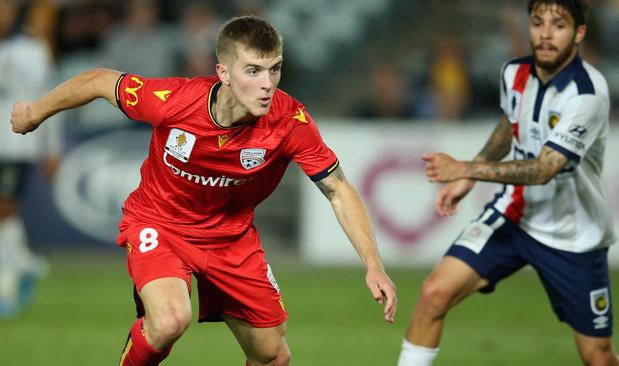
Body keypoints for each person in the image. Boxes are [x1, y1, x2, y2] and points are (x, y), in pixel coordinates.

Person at [10, 15, 396, 365]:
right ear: (223, 73)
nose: (267, 85)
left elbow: (338, 190)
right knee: (169, 321)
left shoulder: (290, 121)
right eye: (254, 71)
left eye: (275, 70)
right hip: (160, 224)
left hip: (231, 240)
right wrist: (34, 112)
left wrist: (373, 263)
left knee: (273, 356)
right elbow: (97, 80)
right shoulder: (174, 102)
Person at [397, 1, 619, 365]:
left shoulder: (587, 94)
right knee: (434, 293)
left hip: (574, 235)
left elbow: (544, 169)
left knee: (598, 357)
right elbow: (511, 123)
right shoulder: (514, 73)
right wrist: (474, 170)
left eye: (559, 25)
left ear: (579, 34)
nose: (546, 34)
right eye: (537, 23)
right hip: (515, 215)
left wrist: (467, 170)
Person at [0, 0, 59, 317]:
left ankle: (8, 280)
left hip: (15, 143)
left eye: (6, 9)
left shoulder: (32, 51)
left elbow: (47, 97)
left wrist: (52, 148)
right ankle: (26, 263)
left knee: (5, 209)